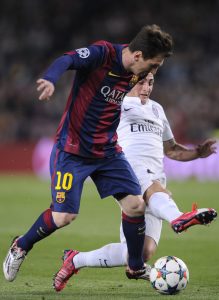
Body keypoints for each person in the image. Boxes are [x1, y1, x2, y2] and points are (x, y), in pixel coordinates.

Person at [3, 24, 174, 289]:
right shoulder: (103, 54)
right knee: (64, 217)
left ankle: (136, 265)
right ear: (138, 56)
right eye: (153, 65)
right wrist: (50, 78)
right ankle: (21, 245)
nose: (153, 72)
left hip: (107, 150)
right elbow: (67, 59)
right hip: (72, 151)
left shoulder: (134, 74)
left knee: (136, 206)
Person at [52, 72, 217, 290]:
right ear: (129, 81)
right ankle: (178, 217)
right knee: (152, 188)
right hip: (127, 169)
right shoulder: (115, 104)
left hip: (156, 177)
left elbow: (173, 151)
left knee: (139, 253)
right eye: (141, 82)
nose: (146, 88)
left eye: (150, 83)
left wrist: (197, 153)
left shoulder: (157, 109)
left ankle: (75, 259)